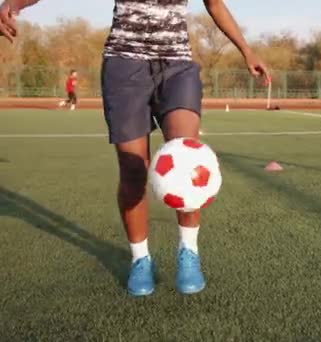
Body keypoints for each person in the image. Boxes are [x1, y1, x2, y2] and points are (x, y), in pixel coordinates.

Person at [0, 0, 269, 296]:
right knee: (132, 169)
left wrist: (246, 50)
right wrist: (14, 3)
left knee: (186, 156)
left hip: (177, 65)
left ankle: (189, 251)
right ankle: (140, 258)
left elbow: (215, 4)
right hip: (124, 65)